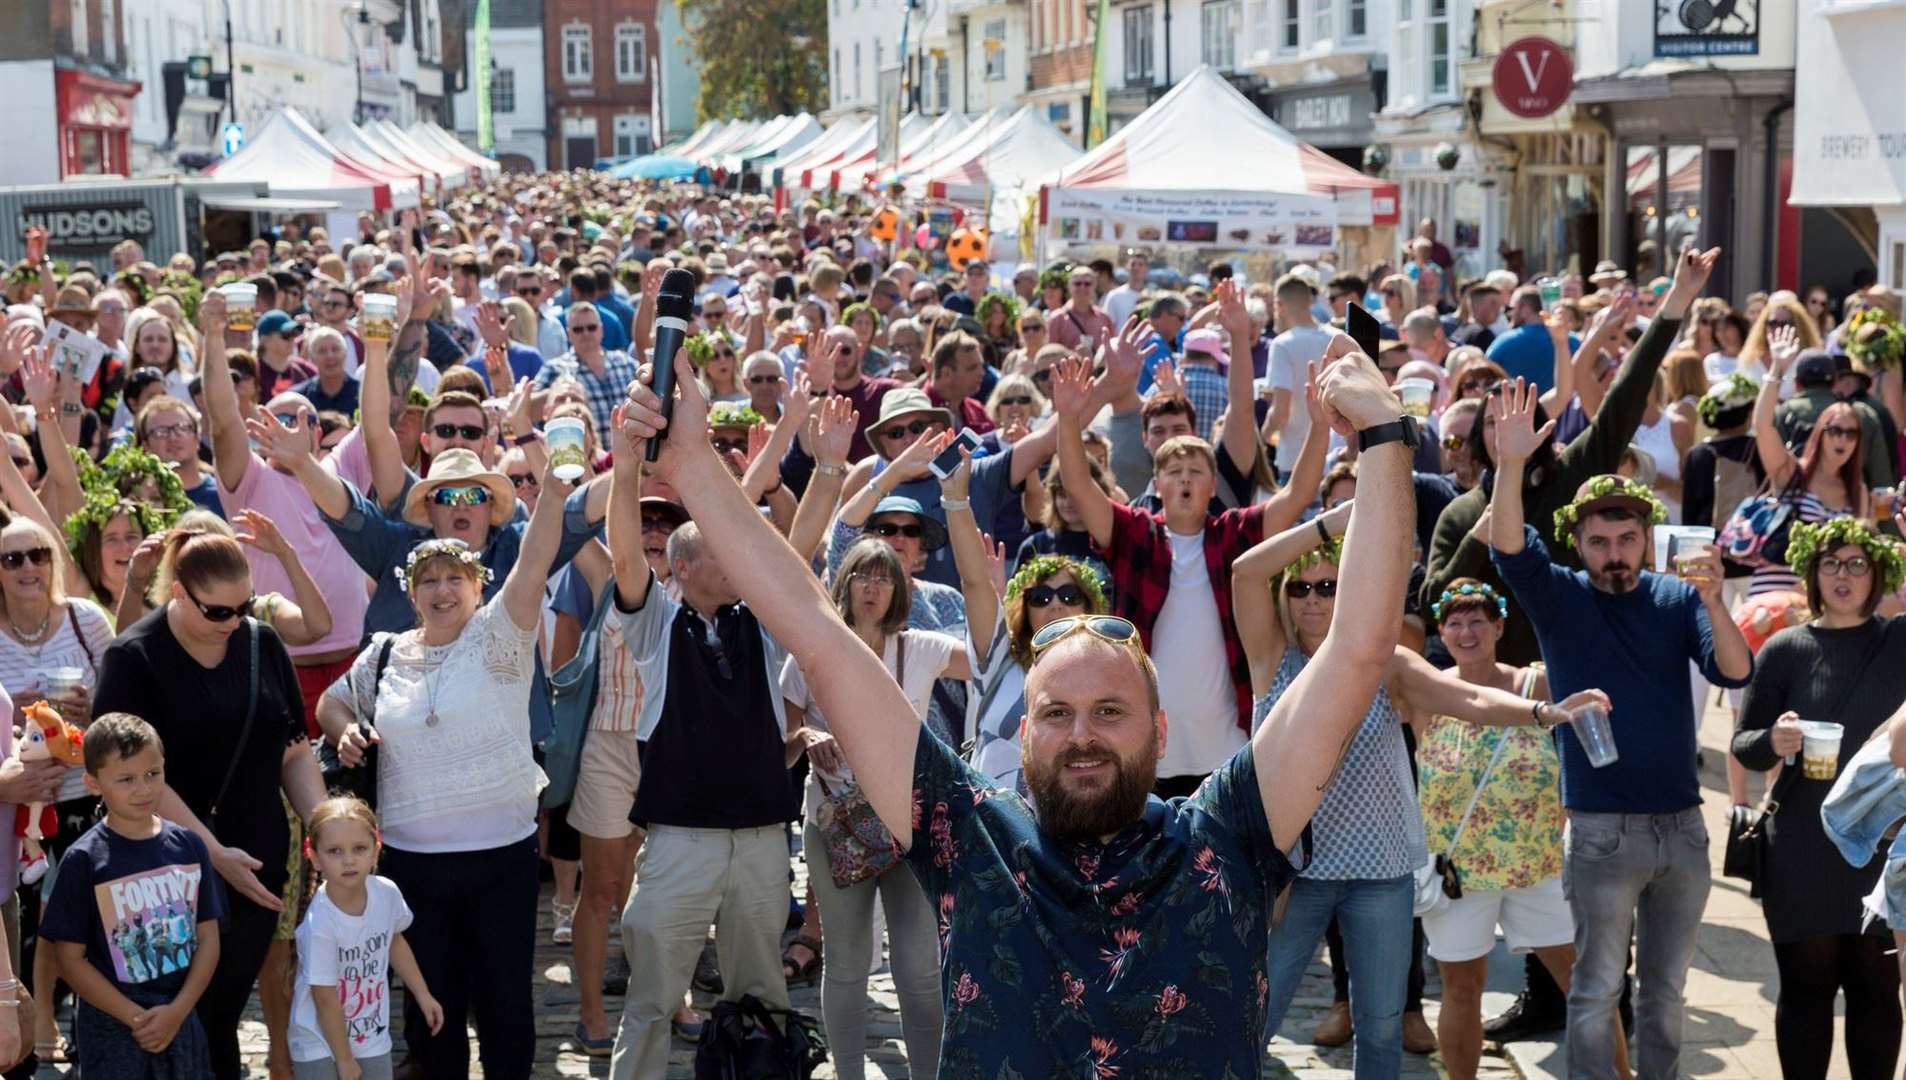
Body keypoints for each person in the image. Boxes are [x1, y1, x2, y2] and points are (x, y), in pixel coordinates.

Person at [619, 324, 1419, 1075]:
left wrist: (1385, 438)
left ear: (1160, 728)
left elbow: (1356, 656)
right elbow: (818, 636)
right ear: (1023, 729)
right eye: (1057, 714)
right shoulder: (968, 833)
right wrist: (689, 465)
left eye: (1110, 711)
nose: (1083, 736)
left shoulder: (1226, 835)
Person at [1235, 506, 1608, 1074]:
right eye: (1300, 587)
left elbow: (1471, 700)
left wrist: (1543, 711)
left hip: (1378, 873)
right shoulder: (1272, 660)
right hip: (1294, 872)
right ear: (1285, 598)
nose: (1313, 598)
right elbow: (1243, 571)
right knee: (1256, 1017)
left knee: (1382, 1028)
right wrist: (1337, 521)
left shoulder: (1385, 663)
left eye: (1328, 585)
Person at [1485, 380, 1753, 1080]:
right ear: (1578, 544)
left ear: (1646, 539)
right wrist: (1510, 464)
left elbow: (1732, 671)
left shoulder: (1674, 596)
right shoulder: (1562, 597)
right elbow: (1509, 546)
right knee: (1597, 989)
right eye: (1599, 540)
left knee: (1665, 996)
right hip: (1601, 830)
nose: (1614, 553)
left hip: (1684, 829)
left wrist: (1715, 599)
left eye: (1626, 538)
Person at [317, 462, 566, 1078]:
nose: (442, 589)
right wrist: (345, 729)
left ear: (480, 587)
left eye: (456, 577)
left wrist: (555, 492)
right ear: (411, 593)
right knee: (434, 1014)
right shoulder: (384, 654)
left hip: (501, 859)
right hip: (411, 865)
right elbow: (331, 702)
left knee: (506, 1007)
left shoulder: (502, 637)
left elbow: (535, 560)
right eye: (428, 579)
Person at [603, 413, 799, 1080]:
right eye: (722, 548)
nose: (742, 557)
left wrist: (820, 464)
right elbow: (626, 555)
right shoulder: (655, 624)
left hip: (764, 840)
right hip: (680, 842)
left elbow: (797, 547)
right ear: (682, 566)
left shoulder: (766, 622)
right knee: (653, 1002)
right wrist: (626, 468)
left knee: (763, 1001)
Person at [90, 530, 326, 1080]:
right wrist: (212, 851)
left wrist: (324, 826)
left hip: (256, 861)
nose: (233, 622)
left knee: (220, 1009)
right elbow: (137, 779)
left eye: (243, 606)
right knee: (183, 1015)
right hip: (161, 868)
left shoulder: (261, 642)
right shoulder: (134, 656)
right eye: (218, 611)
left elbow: (293, 751)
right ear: (177, 592)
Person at [1051, 335, 1320, 797]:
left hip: (1226, 745)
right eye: (1174, 473)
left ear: (1213, 484)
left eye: (1195, 471)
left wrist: (1317, 426)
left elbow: (1297, 495)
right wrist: (1068, 419)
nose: (1185, 480)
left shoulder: (1235, 534)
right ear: (1156, 483)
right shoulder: (1135, 533)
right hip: (1147, 746)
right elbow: (1078, 485)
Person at [1414, 579, 1627, 1080]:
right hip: (1457, 874)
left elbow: (1597, 703)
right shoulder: (1427, 693)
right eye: (1455, 623)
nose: (1467, 632)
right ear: (1442, 633)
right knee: (1462, 988)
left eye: (1478, 621)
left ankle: (1621, 1076)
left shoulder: (1538, 685)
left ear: (1499, 627)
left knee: (1582, 982)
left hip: (1539, 865)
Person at [1733, 518, 1905, 1080]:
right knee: (1805, 990)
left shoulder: (1899, 639)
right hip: (1802, 844)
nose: (1843, 575)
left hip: (1881, 845)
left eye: (1858, 563)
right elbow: (1744, 745)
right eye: (1830, 563)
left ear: (1878, 574)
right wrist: (1774, 739)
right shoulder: (1785, 648)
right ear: (1812, 573)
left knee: (1877, 988)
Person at [781, 538, 958, 1080]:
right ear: (845, 584)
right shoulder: (810, 651)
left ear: (900, 590)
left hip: (909, 827)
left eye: (884, 578)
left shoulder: (921, 648)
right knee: (848, 964)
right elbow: (782, 744)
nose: (873, 587)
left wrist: (987, 590)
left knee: (920, 971)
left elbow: (996, 654)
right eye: (862, 575)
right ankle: (849, 1074)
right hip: (836, 827)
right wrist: (807, 734)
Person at [41, 712, 225, 1077]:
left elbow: (208, 938)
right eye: (126, 779)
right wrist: (136, 1017)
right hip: (112, 1031)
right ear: (93, 783)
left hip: (181, 1021)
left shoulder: (189, 846)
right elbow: (69, 960)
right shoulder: (83, 860)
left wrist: (178, 1011)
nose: (143, 788)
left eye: (152, 774)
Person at [287, 797, 445, 1080]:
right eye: (334, 851)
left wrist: (422, 993)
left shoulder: (386, 893)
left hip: (370, 1033)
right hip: (319, 1042)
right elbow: (324, 997)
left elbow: (394, 941)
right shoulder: (320, 922)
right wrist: (344, 1058)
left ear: (375, 850)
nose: (349, 860)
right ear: (314, 857)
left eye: (359, 848)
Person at [1751, 335, 1866, 598]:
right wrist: (1777, 368)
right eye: (1835, 430)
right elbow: (1762, 426)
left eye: (1851, 433)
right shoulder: (1791, 472)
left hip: (1822, 606)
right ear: (1820, 433)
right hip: (1773, 599)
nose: (1842, 439)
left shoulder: (1857, 491)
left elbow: (1861, 554)